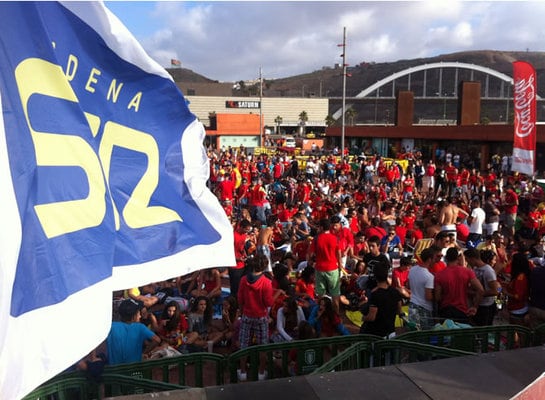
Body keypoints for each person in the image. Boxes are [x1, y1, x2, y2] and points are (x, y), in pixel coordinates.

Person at [237, 254, 274, 381]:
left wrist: (242, 311)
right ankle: (261, 372)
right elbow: (268, 302)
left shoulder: (243, 280)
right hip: (261, 316)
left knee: (244, 344)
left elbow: (240, 299)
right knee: (262, 345)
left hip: (247, 315)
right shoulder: (266, 282)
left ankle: (242, 372)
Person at [434, 247, 484, 324]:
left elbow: (437, 297)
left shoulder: (439, 275)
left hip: (445, 310)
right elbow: (480, 290)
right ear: (457, 258)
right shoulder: (467, 272)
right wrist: (475, 307)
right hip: (462, 311)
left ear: (446, 258)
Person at [106, 298, 161, 365]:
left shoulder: (111, 326)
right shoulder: (140, 327)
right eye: (138, 313)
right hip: (134, 367)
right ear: (133, 316)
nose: (140, 316)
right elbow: (157, 340)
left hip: (115, 370)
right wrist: (144, 353)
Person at [307, 218, 343, 313]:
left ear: (322, 227)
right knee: (335, 294)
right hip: (332, 268)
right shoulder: (335, 238)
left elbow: (310, 254)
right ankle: (337, 316)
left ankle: (321, 316)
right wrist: (340, 265)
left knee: (320, 295)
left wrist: (311, 261)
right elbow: (339, 253)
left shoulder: (316, 239)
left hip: (320, 268)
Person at [360, 260, 403, 338]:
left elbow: (371, 317)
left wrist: (363, 318)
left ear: (375, 276)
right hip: (391, 332)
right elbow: (399, 311)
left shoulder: (375, 295)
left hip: (377, 334)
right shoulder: (395, 291)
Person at [464, 248, 500, 326]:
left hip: (486, 307)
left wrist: (476, 293)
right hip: (478, 305)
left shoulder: (488, 271)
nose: (467, 262)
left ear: (472, 258)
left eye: (467, 259)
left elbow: (495, 291)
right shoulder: (475, 269)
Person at [407, 247, 435, 330]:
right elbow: (428, 297)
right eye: (433, 259)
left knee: (414, 333)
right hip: (424, 309)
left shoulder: (412, 269)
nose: (434, 261)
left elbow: (408, 285)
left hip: (412, 305)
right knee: (425, 335)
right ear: (429, 259)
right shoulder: (429, 277)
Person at [506, 252, 531, 326]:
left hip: (518, 309)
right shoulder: (519, 276)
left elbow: (518, 296)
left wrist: (504, 292)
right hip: (516, 308)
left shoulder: (520, 278)